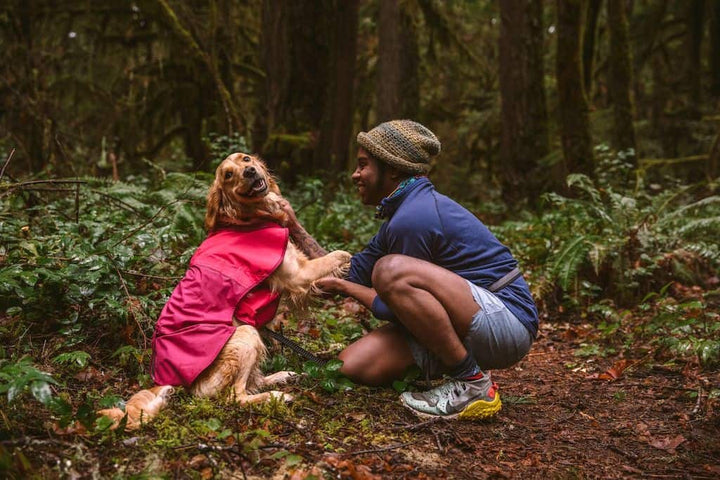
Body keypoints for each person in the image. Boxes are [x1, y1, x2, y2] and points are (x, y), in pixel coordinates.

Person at [286, 120, 538, 420]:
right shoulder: (402, 214)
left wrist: (347, 290)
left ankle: (471, 383)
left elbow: (391, 305)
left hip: (507, 321)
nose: (356, 174)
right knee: (350, 365)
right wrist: (293, 227)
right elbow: (347, 273)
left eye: (363, 165)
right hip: (469, 323)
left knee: (390, 270)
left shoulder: (415, 217)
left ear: (392, 168)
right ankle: (460, 366)